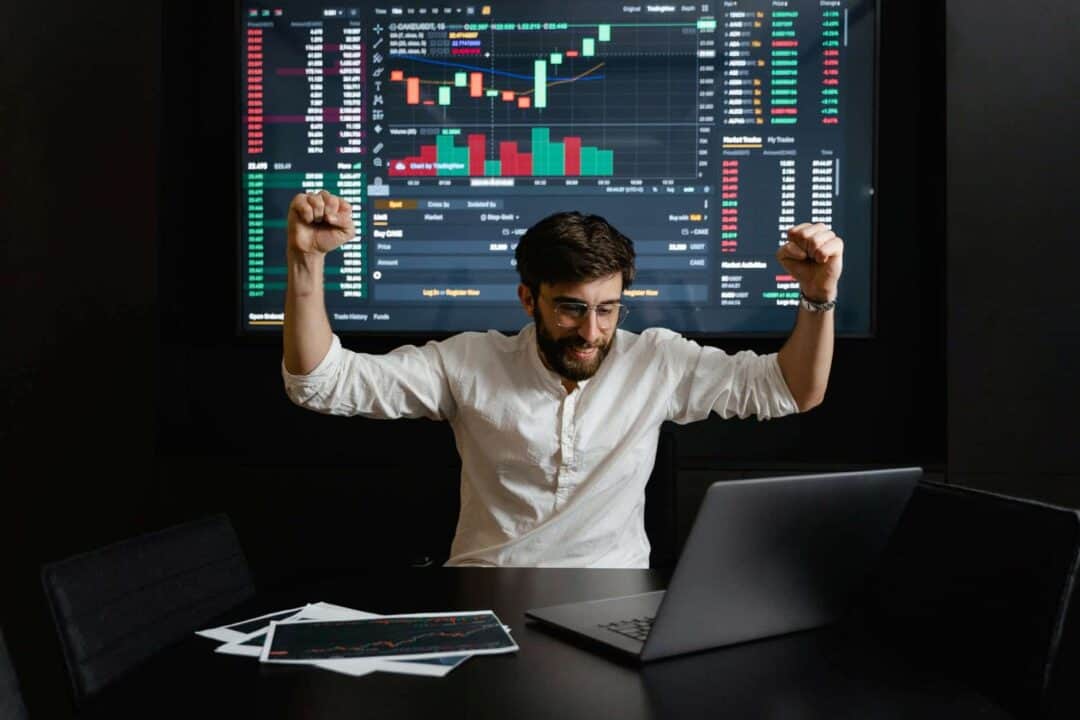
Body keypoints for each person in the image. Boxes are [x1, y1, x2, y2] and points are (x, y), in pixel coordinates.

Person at [282, 190, 843, 568]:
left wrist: (817, 297)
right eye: (571, 308)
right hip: (484, 597)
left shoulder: (657, 361)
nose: (591, 332)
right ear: (529, 299)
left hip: (614, 603)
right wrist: (306, 262)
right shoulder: (469, 361)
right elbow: (322, 382)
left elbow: (792, 390)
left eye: (608, 309)